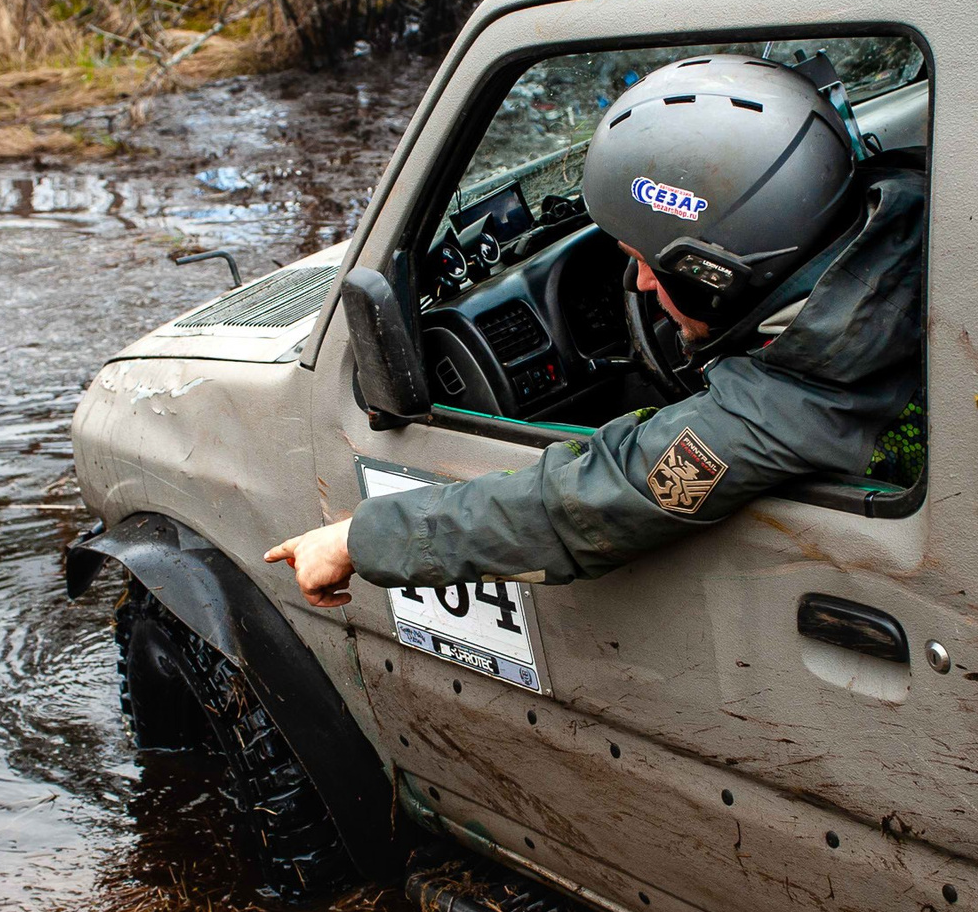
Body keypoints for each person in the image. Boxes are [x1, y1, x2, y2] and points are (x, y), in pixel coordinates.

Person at [267, 54, 926, 605]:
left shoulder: (792, 401)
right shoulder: (916, 209)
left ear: (712, 273)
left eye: (645, 262)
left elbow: (578, 508)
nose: (638, 286)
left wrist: (357, 539)